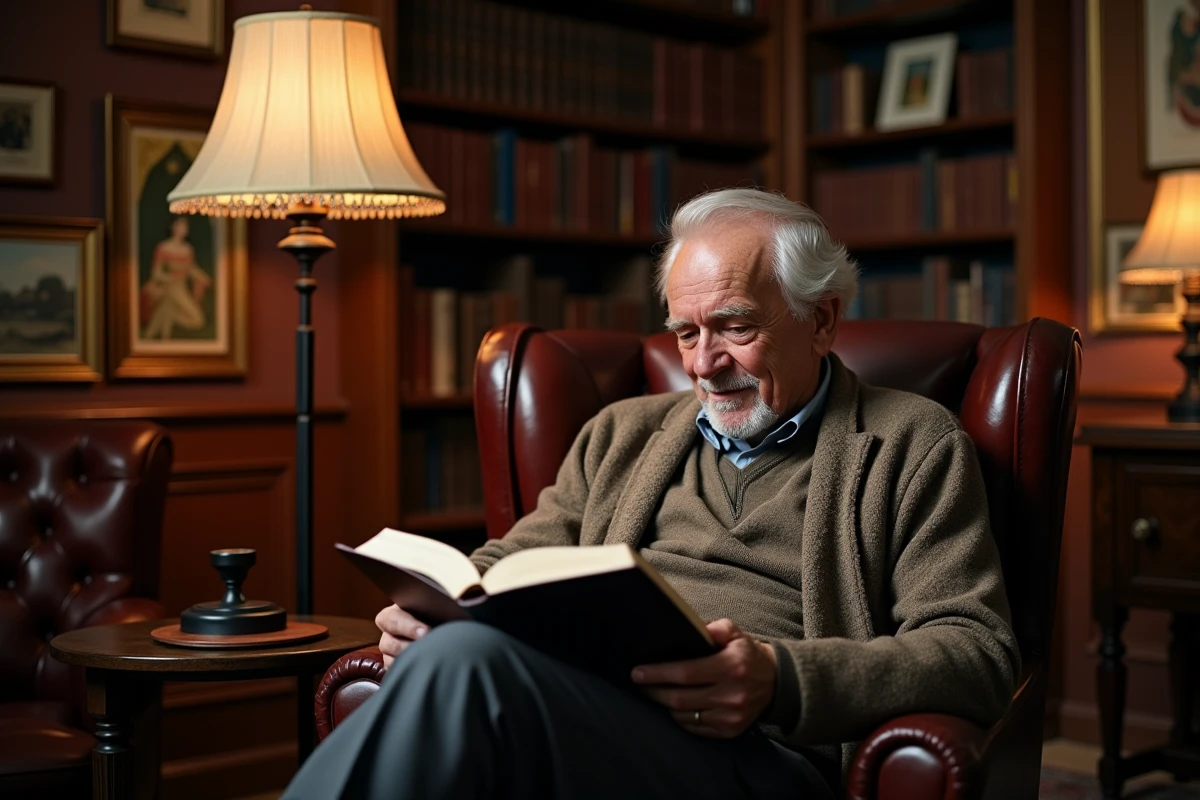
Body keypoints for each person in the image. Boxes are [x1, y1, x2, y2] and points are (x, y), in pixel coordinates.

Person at [284, 188, 1018, 799]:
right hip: (594, 714)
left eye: (734, 327)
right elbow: (512, 562)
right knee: (459, 651)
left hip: (761, 756)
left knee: (467, 667)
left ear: (820, 319)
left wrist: (778, 679)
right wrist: (431, 609)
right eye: (684, 333)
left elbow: (976, 652)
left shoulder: (911, 442)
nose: (704, 363)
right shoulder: (621, 434)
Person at [141, 215, 211, 340]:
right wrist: (170, 278)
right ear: (173, 227)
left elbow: (191, 269)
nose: (184, 228)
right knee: (196, 319)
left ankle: (155, 334)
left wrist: (202, 277)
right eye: (181, 225)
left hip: (181, 287)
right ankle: (159, 334)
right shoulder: (163, 247)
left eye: (186, 225)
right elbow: (156, 273)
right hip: (170, 286)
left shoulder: (188, 249)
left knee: (175, 309)